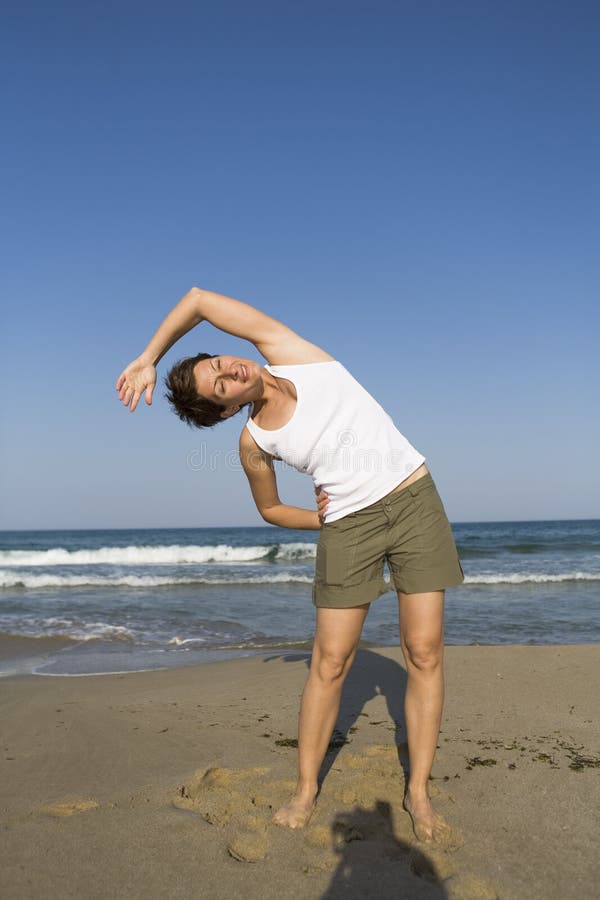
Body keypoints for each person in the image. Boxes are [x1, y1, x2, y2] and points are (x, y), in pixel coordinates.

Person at [115, 286, 464, 844]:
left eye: (217, 364)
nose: (229, 371)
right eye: (221, 386)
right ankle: (305, 790)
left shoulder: (290, 349)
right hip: (349, 525)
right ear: (227, 410)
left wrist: (149, 357)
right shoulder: (254, 441)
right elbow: (271, 508)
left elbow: (200, 300)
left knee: (423, 652)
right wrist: (322, 522)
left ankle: (418, 791)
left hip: (415, 499)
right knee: (329, 661)